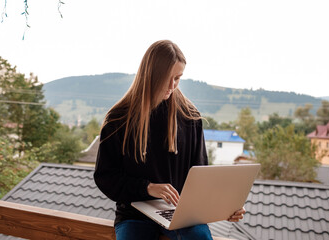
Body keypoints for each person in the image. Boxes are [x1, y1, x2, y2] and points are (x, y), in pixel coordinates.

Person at [94, 40, 245, 240]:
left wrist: (225, 207)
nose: (173, 86)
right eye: (168, 78)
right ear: (151, 76)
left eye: (178, 78)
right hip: (134, 216)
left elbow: (201, 176)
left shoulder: (189, 116)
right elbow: (106, 177)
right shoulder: (119, 119)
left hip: (180, 215)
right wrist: (148, 188)